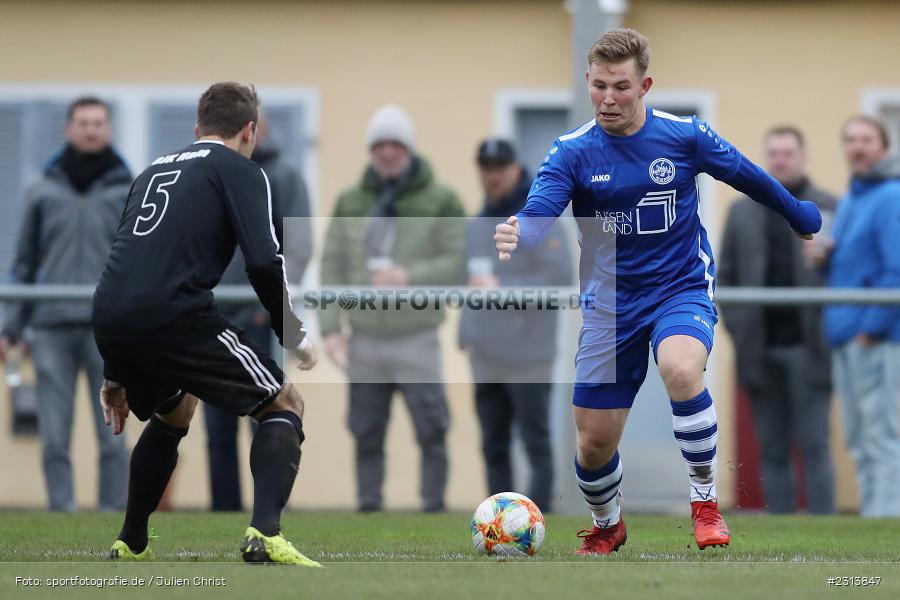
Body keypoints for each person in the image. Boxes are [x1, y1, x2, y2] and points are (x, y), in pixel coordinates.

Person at [493, 28, 821, 554]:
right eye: (598, 85)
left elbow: (748, 176)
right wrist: (520, 231)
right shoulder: (572, 151)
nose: (608, 98)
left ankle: (706, 504)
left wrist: (797, 214)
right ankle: (608, 524)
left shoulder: (684, 135)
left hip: (679, 285)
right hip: (610, 306)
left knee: (682, 368)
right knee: (594, 442)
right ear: (588, 82)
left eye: (620, 86)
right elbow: (539, 210)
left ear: (644, 85)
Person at [91, 82, 320, 566]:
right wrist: (293, 332)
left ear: (198, 130)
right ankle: (266, 535)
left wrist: (114, 371)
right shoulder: (241, 169)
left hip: (111, 315)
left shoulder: (150, 171)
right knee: (284, 402)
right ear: (250, 130)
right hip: (175, 313)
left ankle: (130, 542)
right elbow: (263, 261)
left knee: (177, 409)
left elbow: (124, 263)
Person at [320, 104, 465, 513]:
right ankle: (368, 509)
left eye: (395, 144)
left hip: (417, 336)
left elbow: (457, 260)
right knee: (366, 431)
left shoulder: (442, 199)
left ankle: (433, 509)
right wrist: (330, 327)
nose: (387, 153)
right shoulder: (351, 200)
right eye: (379, 145)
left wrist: (410, 275)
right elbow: (331, 265)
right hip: (364, 337)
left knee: (431, 428)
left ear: (409, 150)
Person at [0, 97, 130, 512]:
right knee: (54, 433)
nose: (91, 129)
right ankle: (62, 512)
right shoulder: (42, 189)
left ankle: (113, 515)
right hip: (51, 325)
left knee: (113, 430)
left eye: (98, 122)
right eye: (83, 122)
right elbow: (23, 263)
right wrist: (11, 328)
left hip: (106, 330)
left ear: (108, 129)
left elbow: (137, 262)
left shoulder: (128, 188)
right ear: (69, 129)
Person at [718, 126, 837, 514]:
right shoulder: (742, 211)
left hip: (812, 348)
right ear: (765, 158)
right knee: (771, 447)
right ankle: (782, 529)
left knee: (814, 444)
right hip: (758, 349)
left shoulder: (828, 206)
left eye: (788, 152)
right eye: (774, 153)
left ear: (803, 156)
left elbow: (843, 273)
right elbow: (726, 277)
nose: (781, 159)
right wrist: (738, 327)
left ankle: (826, 533)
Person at [206, 110, 313, 512]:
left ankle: (265, 510)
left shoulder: (282, 175)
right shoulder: (218, 175)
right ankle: (224, 510)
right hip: (213, 316)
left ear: (257, 130)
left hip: (260, 316)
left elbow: (297, 246)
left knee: (267, 415)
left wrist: (274, 305)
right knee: (216, 425)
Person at [459, 138, 572, 512]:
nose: (491, 176)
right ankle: (499, 520)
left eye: (499, 168)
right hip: (486, 353)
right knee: (493, 443)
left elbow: (559, 277)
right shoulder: (479, 222)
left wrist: (502, 288)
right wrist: (467, 332)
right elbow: (471, 283)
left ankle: (537, 518)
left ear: (515, 169)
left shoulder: (537, 217)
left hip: (529, 353)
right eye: (485, 168)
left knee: (534, 441)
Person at [818, 116, 900, 517]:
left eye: (866, 139)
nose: (857, 147)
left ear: (884, 148)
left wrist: (872, 329)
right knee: (857, 436)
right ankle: (873, 519)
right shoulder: (850, 199)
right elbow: (851, 269)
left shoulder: (891, 195)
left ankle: (889, 521)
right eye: (850, 139)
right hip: (844, 335)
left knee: (883, 433)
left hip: (878, 337)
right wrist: (823, 259)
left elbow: (896, 268)